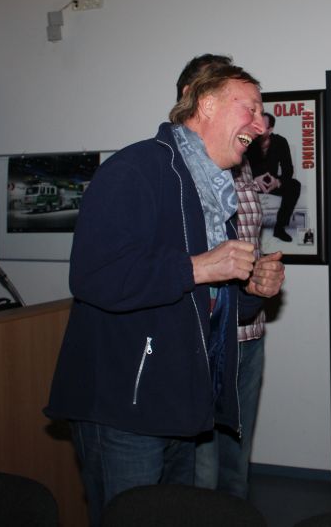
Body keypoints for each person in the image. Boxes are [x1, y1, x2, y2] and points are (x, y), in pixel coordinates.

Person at [45, 64, 285, 527]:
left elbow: (207, 300)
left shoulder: (214, 188)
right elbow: (95, 276)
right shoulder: (135, 170)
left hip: (182, 401)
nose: (260, 125)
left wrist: (252, 291)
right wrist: (200, 266)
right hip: (124, 406)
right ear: (206, 104)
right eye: (251, 109)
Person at [175, 54, 278, 499]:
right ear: (198, 98)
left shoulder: (240, 161)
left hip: (248, 332)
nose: (258, 123)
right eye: (248, 107)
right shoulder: (173, 169)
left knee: (236, 461)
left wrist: (261, 273)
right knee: (201, 468)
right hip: (203, 339)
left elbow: (242, 240)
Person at [248, 113, 301, 242]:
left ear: (270, 129)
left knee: (294, 185)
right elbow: (237, 169)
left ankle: (280, 228)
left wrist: (277, 182)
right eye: (256, 125)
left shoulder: (280, 142)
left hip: (272, 182)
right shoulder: (247, 140)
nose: (258, 130)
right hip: (251, 182)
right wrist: (254, 180)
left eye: (262, 127)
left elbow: (288, 169)